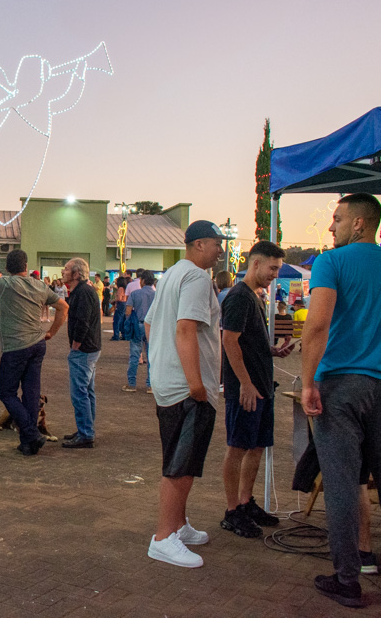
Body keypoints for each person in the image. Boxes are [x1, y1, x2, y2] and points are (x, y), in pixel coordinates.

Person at [300, 193, 381, 607]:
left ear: (359, 224)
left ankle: (348, 580)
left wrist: (307, 383)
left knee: (341, 482)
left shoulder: (330, 263)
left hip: (339, 385)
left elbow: (317, 326)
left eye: (337, 219)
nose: (331, 226)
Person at [143, 220, 225, 568]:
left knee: (182, 461)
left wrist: (162, 361)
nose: (221, 250)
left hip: (170, 383)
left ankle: (177, 525)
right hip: (188, 388)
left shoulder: (173, 275)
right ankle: (163, 538)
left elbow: (150, 324)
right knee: (180, 465)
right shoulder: (194, 277)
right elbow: (185, 328)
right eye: (217, 244)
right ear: (199, 244)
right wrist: (196, 383)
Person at [0, 236, 67, 456]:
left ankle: (31, 434)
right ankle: (28, 444)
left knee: (7, 393)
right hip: (38, 344)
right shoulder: (40, 286)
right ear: (26, 266)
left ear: (8, 269)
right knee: (31, 393)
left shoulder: (6, 284)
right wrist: (51, 332)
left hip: (16, 347)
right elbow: (63, 306)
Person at [220, 241, 292, 539]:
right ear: (256, 263)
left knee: (257, 445)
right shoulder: (239, 297)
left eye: (278, 268)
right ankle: (232, 510)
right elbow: (229, 341)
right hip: (247, 388)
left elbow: (247, 341)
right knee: (238, 446)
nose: (275, 274)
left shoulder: (254, 297)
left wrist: (271, 351)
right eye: (273, 268)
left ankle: (246, 502)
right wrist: (245, 383)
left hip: (262, 385)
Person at [62, 257, 102, 449]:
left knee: (79, 393)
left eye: (67, 269)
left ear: (76, 273)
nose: (63, 271)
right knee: (87, 391)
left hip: (84, 349)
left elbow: (83, 321)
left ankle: (86, 433)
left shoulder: (83, 292)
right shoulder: (83, 290)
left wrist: (75, 345)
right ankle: (86, 429)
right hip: (90, 348)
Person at [124, 272, 156, 392]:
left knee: (134, 355)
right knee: (151, 356)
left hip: (137, 325)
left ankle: (131, 384)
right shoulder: (156, 295)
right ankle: (151, 385)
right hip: (152, 327)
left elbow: (127, 311)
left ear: (142, 281)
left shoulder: (135, 293)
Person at [111, 276, 127, 341]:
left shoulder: (120, 289)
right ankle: (123, 335)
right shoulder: (125, 288)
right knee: (122, 320)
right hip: (124, 304)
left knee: (116, 321)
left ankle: (116, 336)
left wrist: (114, 300)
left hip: (120, 305)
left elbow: (119, 298)